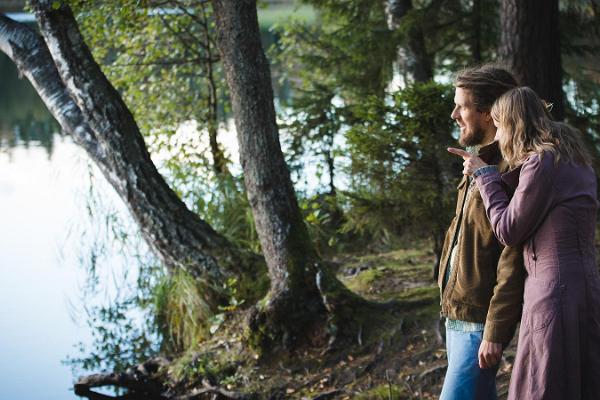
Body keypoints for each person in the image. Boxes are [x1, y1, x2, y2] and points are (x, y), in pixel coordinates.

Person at [450, 86, 600, 399]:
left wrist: (486, 176)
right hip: (584, 289)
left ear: (514, 124)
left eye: (501, 124)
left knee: (543, 385)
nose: (500, 133)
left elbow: (508, 230)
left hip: (551, 294)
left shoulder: (541, 162)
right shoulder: (573, 160)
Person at [438, 65, 525, 400]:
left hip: (479, 322)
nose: (454, 114)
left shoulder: (509, 170)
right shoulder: (476, 162)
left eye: (462, 106)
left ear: (488, 113)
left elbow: (512, 258)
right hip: (457, 312)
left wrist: (495, 330)